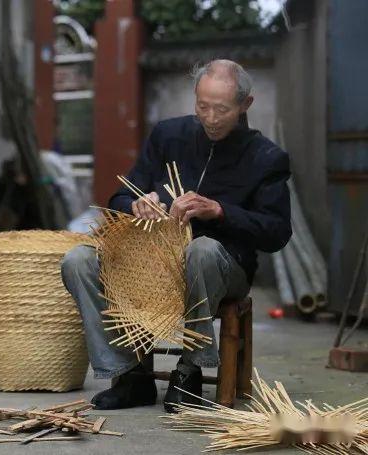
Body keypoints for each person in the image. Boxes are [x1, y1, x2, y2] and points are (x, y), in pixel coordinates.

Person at [61, 59, 292, 413]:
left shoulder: (266, 158)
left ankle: (190, 371)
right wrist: (136, 202)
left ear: (246, 105)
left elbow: (276, 232)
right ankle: (130, 374)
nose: (211, 118)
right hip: (151, 264)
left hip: (221, 268)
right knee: (78, 260)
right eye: (203, 107)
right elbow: (119, 198)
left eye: (222, 109)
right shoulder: (168, 135)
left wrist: (220, 211)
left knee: (201, 249)